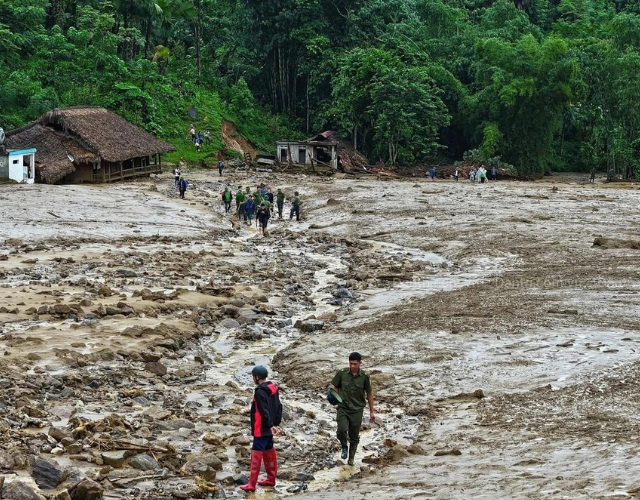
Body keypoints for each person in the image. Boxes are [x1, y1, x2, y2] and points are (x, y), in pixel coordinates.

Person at [239, 365, 282, 492]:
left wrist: (269, 425)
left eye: (253, 376)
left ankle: (251, 484)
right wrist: (275, 424)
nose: (253, 378)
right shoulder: (273, 388)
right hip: (269, 427)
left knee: (256, 455)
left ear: (257, 377)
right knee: (269, 450)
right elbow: (279, 407)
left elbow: (263, 411)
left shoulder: (260, 392)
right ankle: (271, 479)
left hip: (261, 428)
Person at [330, 352, 374, 466]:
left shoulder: (365, 376)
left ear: (360, 363)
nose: (352, 366)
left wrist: (372, 412)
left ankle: (351, 458)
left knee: (354, 436)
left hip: (357, 410)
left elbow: (369, 393)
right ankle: (344, 446)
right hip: (343, 408)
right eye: (351, 364)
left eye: (355, 364)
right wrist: (333, 396)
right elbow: (335, 387)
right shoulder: (342, 373)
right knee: (341, 430)